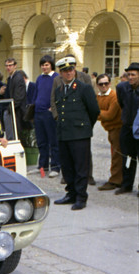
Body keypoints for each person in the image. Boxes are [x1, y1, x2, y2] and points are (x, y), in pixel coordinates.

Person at [53, 56, 100, 210]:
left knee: (81, 167)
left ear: (75, 71)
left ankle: (81, 197)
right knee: (67, 166)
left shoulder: (83, 88)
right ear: (60, 73)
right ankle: (71, 193)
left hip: (79, 134)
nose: (68, 73)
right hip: (64, 133)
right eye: (65, 70)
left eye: (71, 70)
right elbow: (60, 111)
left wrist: (85, 127)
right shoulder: (59, 90)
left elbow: (94, 111)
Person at [32, 55, 60, 178]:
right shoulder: (39, 78)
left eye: (47, 65)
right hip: (38, 113)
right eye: (43, 65)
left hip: (49, 114)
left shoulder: (56, 78)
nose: (44, 67)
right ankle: (42, 166)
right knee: (41, 141)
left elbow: (59, 95)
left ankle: (55, 166)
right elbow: (36, 94)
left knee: (53, 141)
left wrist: (53, 109)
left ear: (51, 65)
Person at [115, 62, 139, 195]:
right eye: (128, 75)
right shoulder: (122, 88)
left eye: (133, 75)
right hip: (126, 127)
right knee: (127, 157)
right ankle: (126, 184)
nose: (130, 77)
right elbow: (121, 103)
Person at [95, 74, 122, 191]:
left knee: (117, 155)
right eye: (101, 84)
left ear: (110, 83)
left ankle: (115, 180)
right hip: (110, 129)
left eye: (106, 83)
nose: (104, 86)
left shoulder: (114, 96)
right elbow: (103, 114)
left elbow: (110, 115)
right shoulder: (98, 96)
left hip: (118, 128)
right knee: (115, 154)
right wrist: (101, 114)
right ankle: (119, 179)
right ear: (97, 85)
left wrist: (96, 113)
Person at [0, 58, 28, 143]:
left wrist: (8, 109)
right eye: (7, 66)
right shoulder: (11, 78)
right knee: (11, 135)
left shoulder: (18, 77)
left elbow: (18, 97)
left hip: (16, 111)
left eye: (10, 65)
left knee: (14, 137)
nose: (8, 67)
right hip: (12, 110)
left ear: (15, 66)